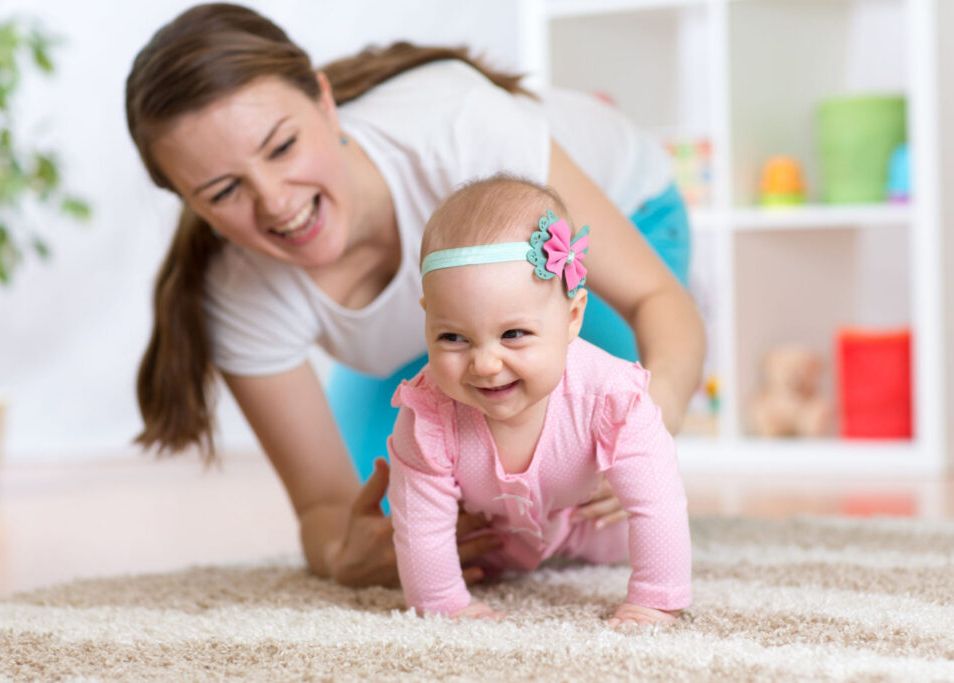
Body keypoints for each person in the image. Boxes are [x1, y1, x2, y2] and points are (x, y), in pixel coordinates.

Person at [125, 3, 705, 589]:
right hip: (444, 336)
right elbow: (324, 510)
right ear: (189, 202)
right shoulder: (237, 293)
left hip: (622, 226)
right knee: (405, 506)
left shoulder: (459, 129)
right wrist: (342, 555)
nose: (275, 202)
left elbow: (659, 299)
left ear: (325, 104)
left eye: (281, 148)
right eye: (223, 190)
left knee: (557, 463)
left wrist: (653, 418)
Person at [388, 175, 691, 626]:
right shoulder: (428, 412)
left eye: (514, 334)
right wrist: (445, 603)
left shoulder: (611, 395)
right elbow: (420, 522)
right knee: (441, 542)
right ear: (428, 320)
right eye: (453, 337)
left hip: (595, 525)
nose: (485, 364)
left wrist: (654, 600)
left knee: (641, 520)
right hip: (495, 543)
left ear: (572, 317)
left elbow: (657, 499)